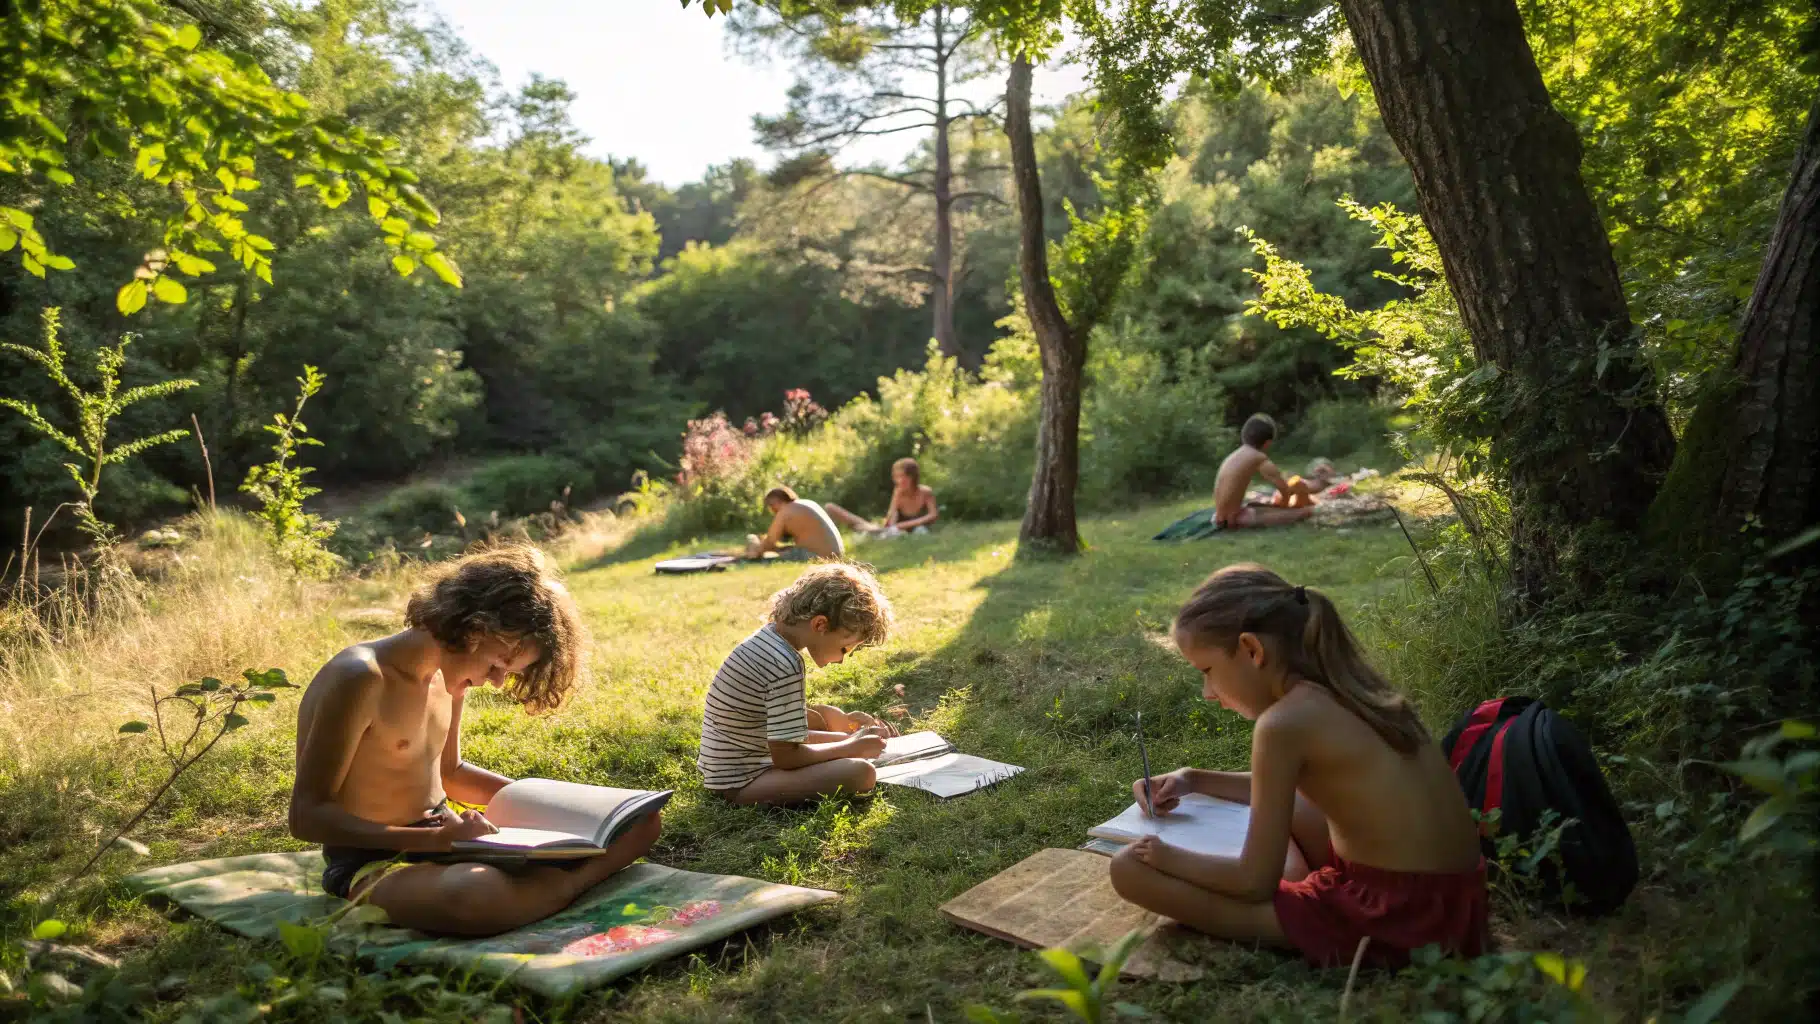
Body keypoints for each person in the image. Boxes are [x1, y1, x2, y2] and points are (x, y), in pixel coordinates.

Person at [1109, 564, 1487, 969]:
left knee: (1126, 869)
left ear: (1252, 650)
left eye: (1207, 672)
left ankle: (1302, 900)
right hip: (1458, 902)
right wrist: (1193, 780)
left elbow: (1253, 883)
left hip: (1398, 921)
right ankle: (1298, 877)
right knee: (1292, 810)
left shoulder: (1282, 725)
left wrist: (1166, 858)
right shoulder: (1351, 689)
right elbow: (1292, 789)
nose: (1207, 694)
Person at [287, 547, 661, 937]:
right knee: (474, 893)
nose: (498, 682)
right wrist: (435, 842)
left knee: (640, 822)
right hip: (376, 859)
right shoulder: (360, 678)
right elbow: (308, 816)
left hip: (452, 837)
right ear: (472, 628)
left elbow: (450, 773)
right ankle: (563, 887)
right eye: (498, 665)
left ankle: (537, 893)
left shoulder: (446, 680)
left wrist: (557, 807)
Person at [699, 563, 897, 806]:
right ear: (820, 625)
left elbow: (786, 738)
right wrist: (850, 747)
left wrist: (850, 738)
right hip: (742, 783)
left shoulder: (770, 639)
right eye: (845, 648)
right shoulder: (785, 664)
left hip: (735, 767)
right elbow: (786, 756)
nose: (842, 659)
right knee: (861, 773)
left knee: (822, 716)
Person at [1211, 414, 1316, 528]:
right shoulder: (1259, 457)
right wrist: (1286, 508)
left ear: (1244, 436)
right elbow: (1284, 490)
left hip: (1218, 517)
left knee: (1261, 506)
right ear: (1267, 443)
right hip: (1237, 519)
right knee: (1305, 512)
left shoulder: (1234, 455)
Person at [824, 457, 940, 539]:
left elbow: (933, 515)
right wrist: (891, 524)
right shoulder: (898, 491)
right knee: (830, 508)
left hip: (908, 530)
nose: (898, 481)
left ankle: (862, 529)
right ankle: (846, 531)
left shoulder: (925, 492)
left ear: (912, 477)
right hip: (891, 530)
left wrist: (905, 525)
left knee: (865, 529)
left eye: (902, 476)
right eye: (896, 477)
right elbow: (891, 518)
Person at [746, 485, 844, 561]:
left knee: (772, 555)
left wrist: (756, 548)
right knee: (785, 550)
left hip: (819, 556)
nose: (771, 510)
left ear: (776, 502)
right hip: (836, 554)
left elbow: (770, 542)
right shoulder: (807, 503)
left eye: (771, 505)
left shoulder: (785, 511)